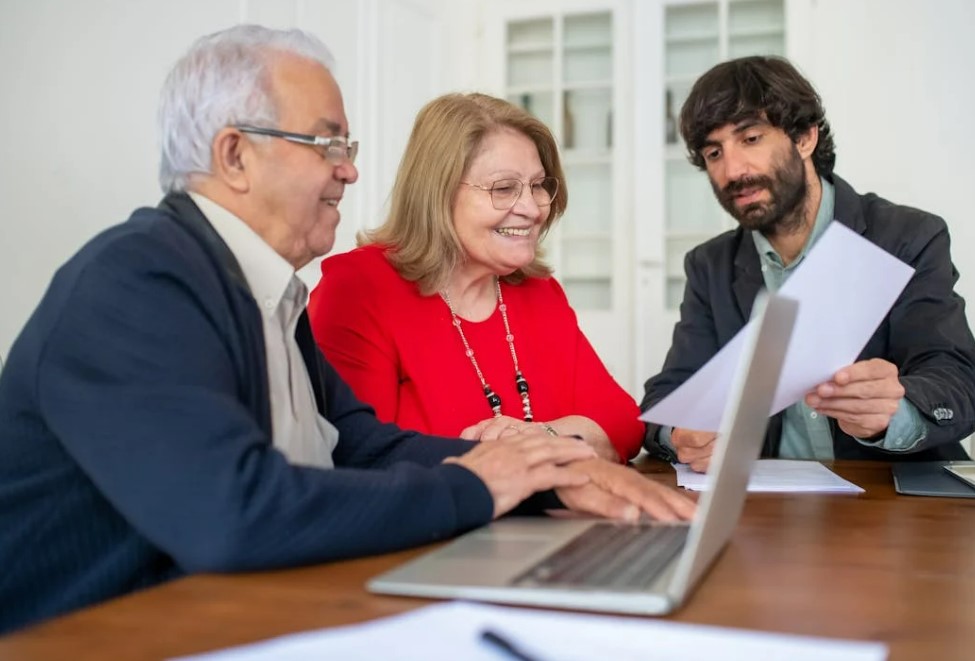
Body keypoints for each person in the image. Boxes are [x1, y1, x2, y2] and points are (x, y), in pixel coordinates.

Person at [0, 26, 695, 633]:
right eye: (326, 142)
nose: (350, 168)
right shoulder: (138, 280)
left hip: (223, 614)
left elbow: (360, 445)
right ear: (234, 155)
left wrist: (542, 475)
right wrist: (481, 485)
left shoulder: (261, 289)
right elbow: (232, 511)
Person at [642, 55, 975, 472]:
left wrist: (895, 409)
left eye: (750, 139)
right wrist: (678, 435)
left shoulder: (906, 237)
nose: (732, 170)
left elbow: (956, 378)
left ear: (804, 138)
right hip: (768, 508)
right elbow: (667, 397)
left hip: (896, 501)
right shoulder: (710, 266)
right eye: (713, 152)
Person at [308, 92, 643, 463]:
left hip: (552, 519)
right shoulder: (360, 288)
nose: (532, 209)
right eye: (504, 189)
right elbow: (358, 456)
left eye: (538, 186)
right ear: (438, 193)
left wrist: (545, 436)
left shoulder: (539, 292)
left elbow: (624, 422)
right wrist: (548, 449)